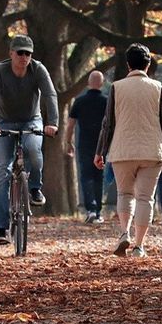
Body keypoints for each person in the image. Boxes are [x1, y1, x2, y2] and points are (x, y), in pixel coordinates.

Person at [95, 44, 162, 257]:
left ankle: (124, 233)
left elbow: (108, 123)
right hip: (152, 150)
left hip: (122, 150)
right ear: (148, 65)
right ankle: (139, 246)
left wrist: (100, 151)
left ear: (128, 64)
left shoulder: (116, 87)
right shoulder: (157, 87)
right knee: (145, 198)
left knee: (125, 193)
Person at [0, 35, 59, 245]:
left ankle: (34, 188)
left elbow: (50, 95)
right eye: (20, 53)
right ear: (11, 53)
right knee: (1, 172)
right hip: (3, 121)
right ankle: (1, 228)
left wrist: (52, 123)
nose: (24, 57)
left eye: (28, 53)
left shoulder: (38, 69)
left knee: (33, 149)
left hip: (31, 120)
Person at [65, 70, 108, 223]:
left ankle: (91, 208)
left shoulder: (79, 101)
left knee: (86, 176)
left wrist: (68, 142)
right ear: (102, 83)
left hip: (84, 144)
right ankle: (98, 211)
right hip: (101, 145)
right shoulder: (106, 102)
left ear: (88, 83)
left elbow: (70, 124)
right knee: (98, 176)